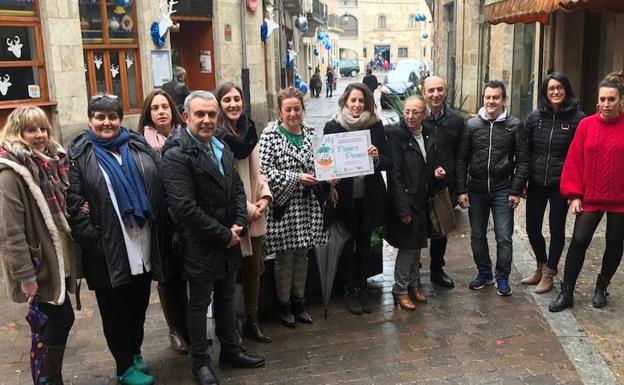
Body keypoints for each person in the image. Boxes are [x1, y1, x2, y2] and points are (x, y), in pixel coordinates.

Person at [160, 91, 265, 385]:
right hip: (200, 244)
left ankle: (230, 351)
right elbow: (184, 208)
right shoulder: (177, 154)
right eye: (200, 115)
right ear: (186, 117)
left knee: (227, 297)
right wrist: (224, 235)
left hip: (228, 238)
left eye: (211, 114)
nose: (207, 120)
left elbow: (238, 189)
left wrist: (239, 224)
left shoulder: (220, 145)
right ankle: (200, 363)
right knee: (199, 303)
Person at [68, 94, 166, 385]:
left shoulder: (137, 145)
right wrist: (94, 241)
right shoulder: (79, 155)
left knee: (137, 305)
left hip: (142, 241)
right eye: (100, 117)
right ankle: (124, 366)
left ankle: (133, 353)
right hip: (107, 251)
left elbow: (156, 180)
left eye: (112, 116)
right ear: (90, 120)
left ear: (120, 119)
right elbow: (74, 204)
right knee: (114, 312)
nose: (107, 122)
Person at [0, 107, 76, 385]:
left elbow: (60, 208)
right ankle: (49, 379)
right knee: (60, 320)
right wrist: (25, 277)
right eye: (31, 130)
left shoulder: (51, 162)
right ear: (17, 133)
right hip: (38, 265)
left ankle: (50, 378)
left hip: (56, 258)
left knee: (55, 321)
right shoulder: (11, 172)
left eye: (43, 128)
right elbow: (10, 232)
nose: (40, 135)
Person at [549, 72, 624, 312]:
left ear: (621, 100)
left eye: (611, 99)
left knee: (614, 241)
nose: (606, 104)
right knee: (579, 240)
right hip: (591, 196)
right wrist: (574, 195)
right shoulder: (586, 125)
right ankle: (566, 291)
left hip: (620, 199)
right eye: (602, 99)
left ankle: (602, 286)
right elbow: (574, 161)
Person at [258, 86, 325, 328]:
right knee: (284, 259)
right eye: (288, 109)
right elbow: (263, 173)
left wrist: (328, 176)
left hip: (307, 206)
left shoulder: (311, 134)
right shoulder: (270, 136)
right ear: (280, 111)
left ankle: (300, 302)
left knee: (303, 256)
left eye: (297, 108)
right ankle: (284, 305)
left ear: (303, 109)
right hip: (283, 207)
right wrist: (297, 178)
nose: (293, 113)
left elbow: (322, 163)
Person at [456, 80, 529, 297]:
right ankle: (484, 273)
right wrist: (461, 190)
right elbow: (462, 160)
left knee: (503, 237)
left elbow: (523, 160)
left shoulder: (514, 125)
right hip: (476, 190)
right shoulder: (472, 126)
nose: (491, 101)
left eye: (496, 97)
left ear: (503, 100)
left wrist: (515, 190)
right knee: (477, 235)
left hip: (503, 189)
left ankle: (503, 277)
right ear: (483, 98)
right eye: (487, 97)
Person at [324, 83, 391, 315]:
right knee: (348, 243)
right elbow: (325, 163)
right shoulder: (332, 126)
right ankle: (349, 288)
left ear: (367, 103)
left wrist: (376, 157)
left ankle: (362, 287)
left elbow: (388, 161)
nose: (356, 105)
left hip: (369, 195)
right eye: (353, 100)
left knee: (364, 242)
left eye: (361, 101)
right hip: (345, 197)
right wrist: (329, 180)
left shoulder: (376, 125)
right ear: (345, 101)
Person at [215, 83, 273, 344]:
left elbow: (259, 171)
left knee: (253, 269)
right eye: (227, 99)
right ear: (219, 104)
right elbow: (223, 180)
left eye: (237, 99)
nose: (233, 104)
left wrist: (264, 197)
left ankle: (252, 320)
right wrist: (247, 208)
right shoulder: (215, 136)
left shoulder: (249, 130)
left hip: (256, 212)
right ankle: (229, 326)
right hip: (231, 216)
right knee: (227, 275)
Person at [521, 73, 585, 294]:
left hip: (562, 183)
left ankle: (549, 273)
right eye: (550, 89)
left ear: (566, 90)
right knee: (532, 227)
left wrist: (577, 188)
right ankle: (541, 264)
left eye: (559, 88)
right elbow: (525, 150)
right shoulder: (535, 117)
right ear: (545, 92)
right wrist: (523, 180)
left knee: (557, 228)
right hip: (537, 181)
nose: (555, 92)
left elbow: (581, 156)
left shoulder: (578, 119)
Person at [137, 89, 190, 354]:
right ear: (148, 113)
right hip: (160, 222)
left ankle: (191, 327)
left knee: (189, 273)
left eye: (165, 107)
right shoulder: (141, 145)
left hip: (186, 218)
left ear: (173, 110)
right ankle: (175, 329)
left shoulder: (186, 137)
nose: (161, 111)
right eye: (155, 108)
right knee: (167, 276)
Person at [386, 96, 432, 310]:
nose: (410, 116)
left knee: (417, 247)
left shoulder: (427, 133)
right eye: (407, 112)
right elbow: (394, 174)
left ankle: (414, 284)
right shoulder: (397, 135)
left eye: (416, 112)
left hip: (422, 200)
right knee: (407, 248)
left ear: (424, 115)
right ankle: (400, 289)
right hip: (407, 200)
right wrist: (402, 208)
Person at [421, 75, 465, 288]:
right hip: (420, 184)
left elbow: (461, 154)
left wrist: (458, 185)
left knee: (441, 231)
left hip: (444, 185)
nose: (436, 94)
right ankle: (413, 273)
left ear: (445, 91)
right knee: (418, 230)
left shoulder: (456, 120)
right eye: (431, 90)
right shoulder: (417, 117)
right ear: (424, 93)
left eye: (440, 90)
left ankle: (437, 271)